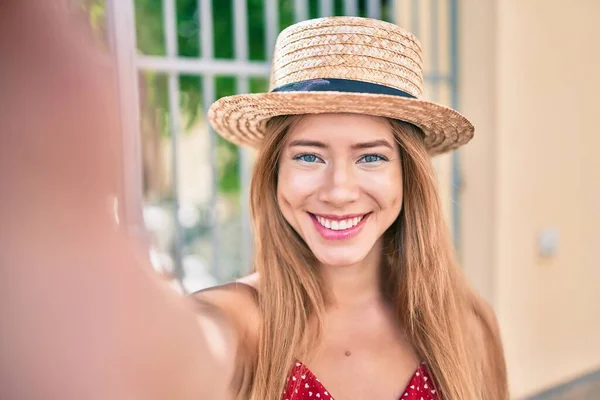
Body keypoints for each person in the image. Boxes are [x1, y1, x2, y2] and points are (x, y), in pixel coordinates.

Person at [0, 3, 507, 399]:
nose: (338, 190)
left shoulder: (468, 326)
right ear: (274, 174)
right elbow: (179, 353)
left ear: (408, 178)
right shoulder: (239, 324)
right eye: (309, 157)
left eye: (371, 158)